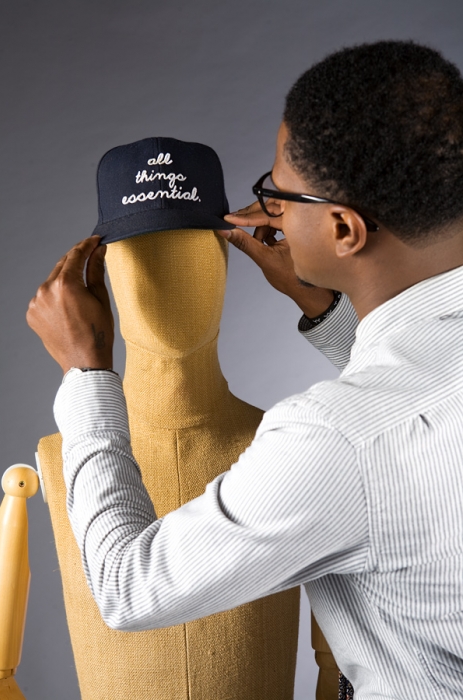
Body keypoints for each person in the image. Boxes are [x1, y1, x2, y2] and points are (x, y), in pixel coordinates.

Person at [27, 40, 463, 699]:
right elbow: (414, 408)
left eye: (280, 193)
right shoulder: (381, 418)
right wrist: (329, 309)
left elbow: (128, 589)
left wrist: (86, 376)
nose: (272, 210)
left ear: (344, 230)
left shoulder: (331, 441)